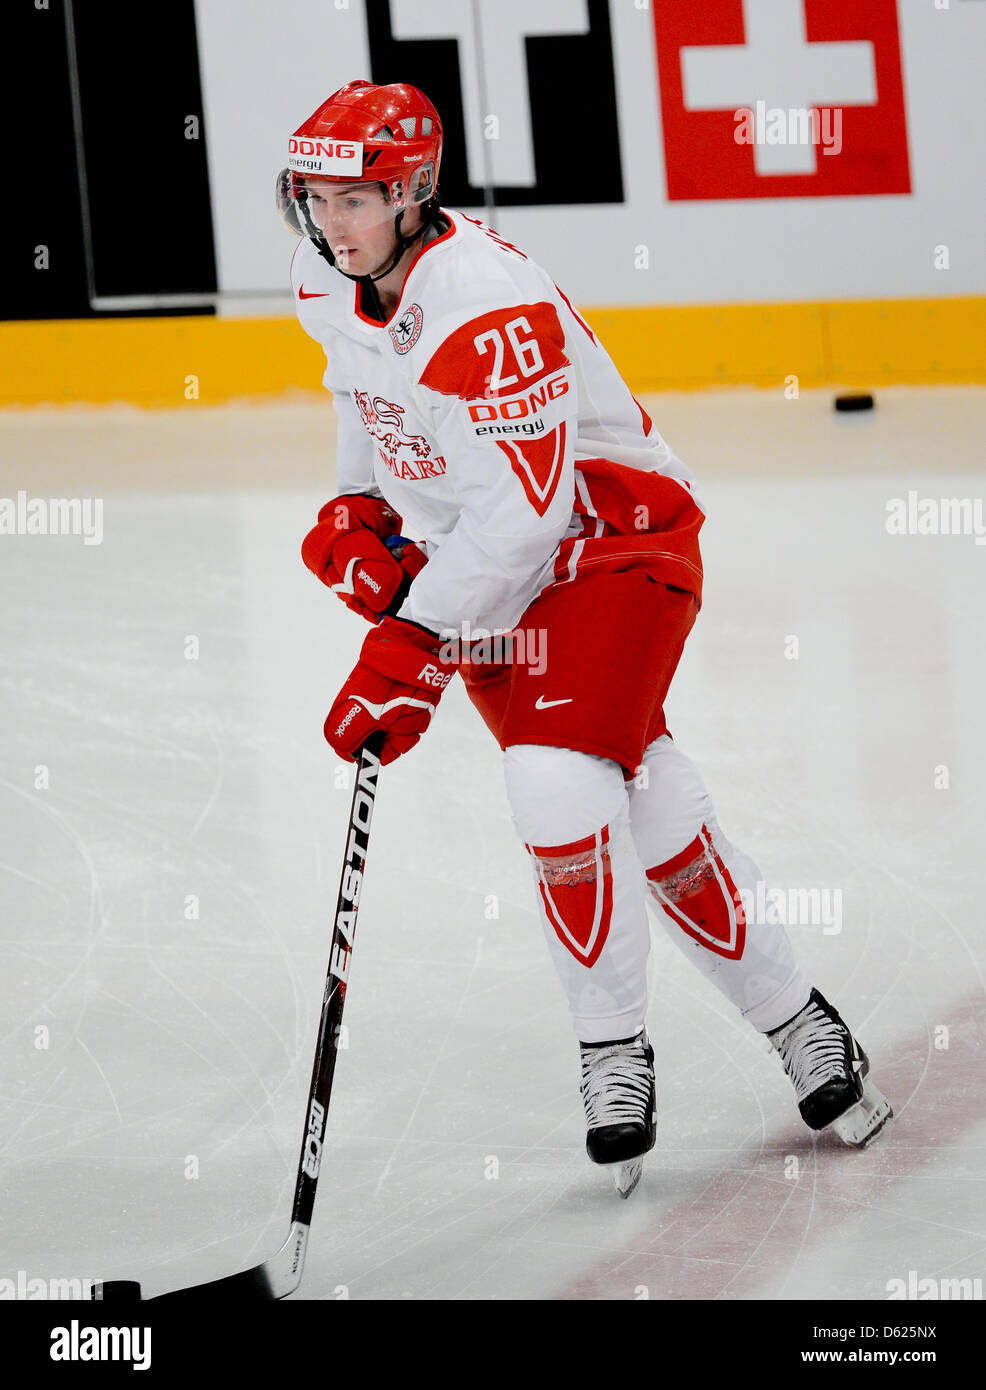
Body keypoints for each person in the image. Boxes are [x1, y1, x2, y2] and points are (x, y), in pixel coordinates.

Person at [279, 80, 892, 1197]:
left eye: (354, 198)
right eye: (313, 198)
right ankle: (800, 1021)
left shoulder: (484, 301)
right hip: (488, 574)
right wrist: (354, 507)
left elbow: (526, 516)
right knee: (644, 794)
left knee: (555, 784)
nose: (331, 222)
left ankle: (610, 1048)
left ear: (413, 190)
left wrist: (405, 648)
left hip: (609, 543)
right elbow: (358, 389)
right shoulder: (332, 271)